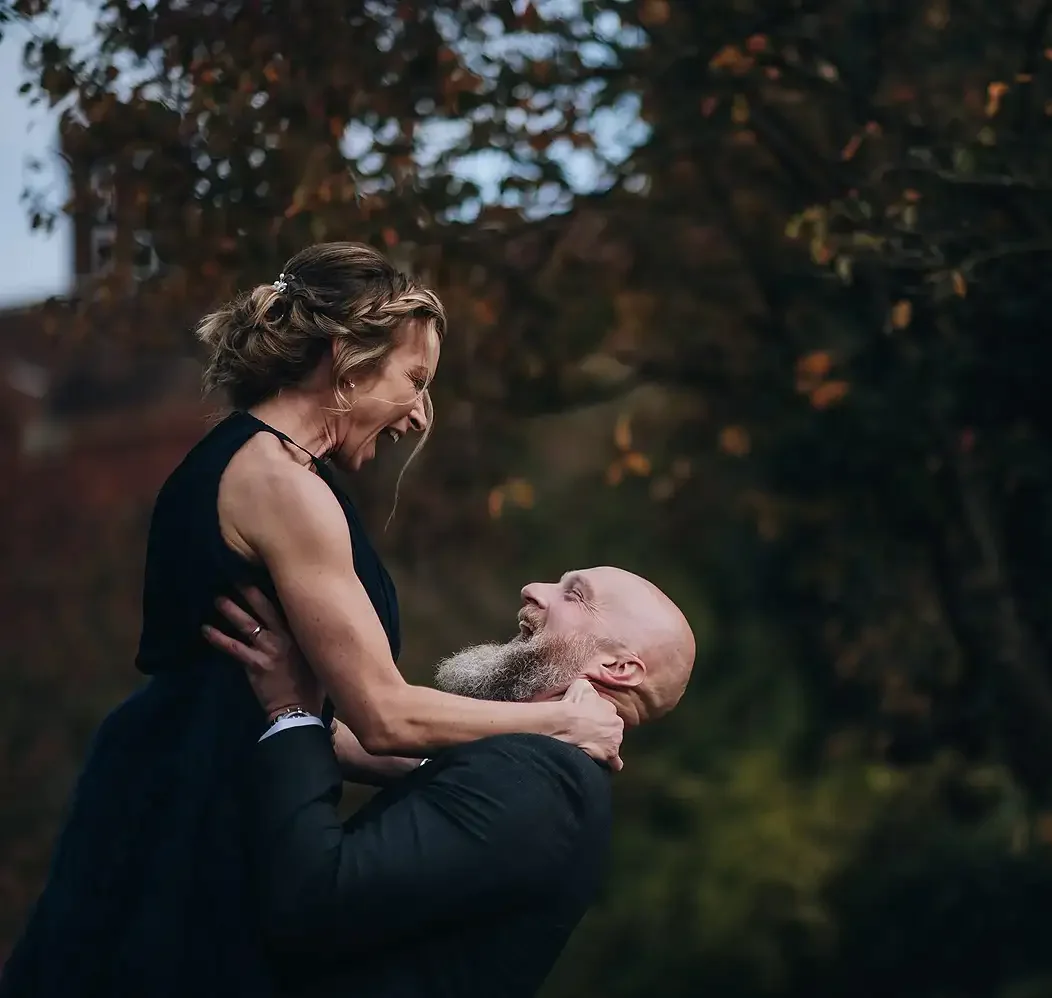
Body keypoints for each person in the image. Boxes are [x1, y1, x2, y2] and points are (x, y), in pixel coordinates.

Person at [0, 244, 623, 998]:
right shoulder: (280, 485)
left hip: (189, 774)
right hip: (185, 806)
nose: (419, 412)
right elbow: (386, 715)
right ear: (345, 358)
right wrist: (559, 724)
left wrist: (473, 770)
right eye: (414, 380)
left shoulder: (284, 473)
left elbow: (337, 731)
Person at [202, 566, 695, 998]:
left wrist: (288, 711)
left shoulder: (542, 780)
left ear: (617, 667)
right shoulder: (535, 770)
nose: (532, 590)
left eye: (574, 594)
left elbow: (315, 898)